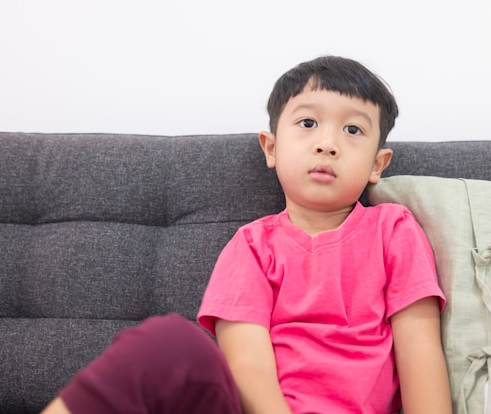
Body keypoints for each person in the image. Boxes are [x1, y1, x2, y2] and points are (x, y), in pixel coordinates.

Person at [41, 55, 452, 414]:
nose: (328, 144)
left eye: (353, 131)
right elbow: (247, 367)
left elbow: (420, 351)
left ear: (377, 164)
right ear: (271, 148)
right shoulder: (253, 246)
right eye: (308, 123)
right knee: (166, 340)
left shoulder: (393, 230)